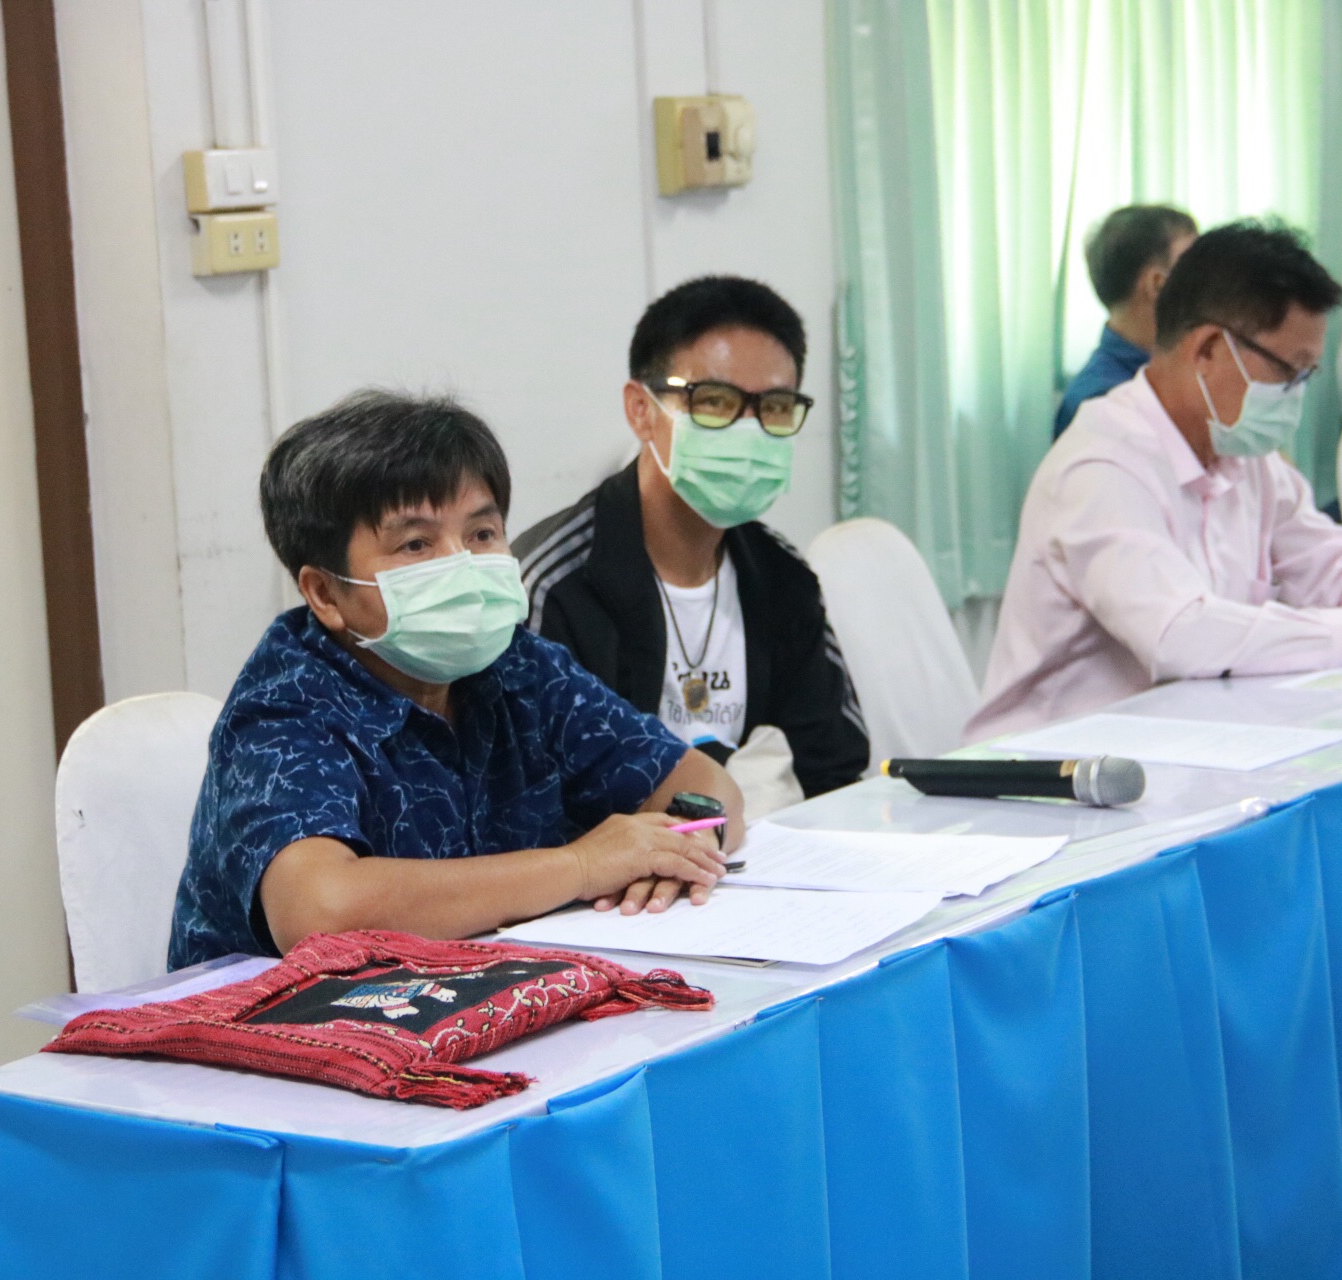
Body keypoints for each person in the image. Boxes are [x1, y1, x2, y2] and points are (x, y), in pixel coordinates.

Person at [168, 392, 745, 969]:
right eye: (416, 544)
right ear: (325, 594)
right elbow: (319, 910)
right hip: (292, 1017)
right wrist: (582, 866)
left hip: (492, 991)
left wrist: (686, 843)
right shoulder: (285, 706)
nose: (462, 565)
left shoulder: (518, 665)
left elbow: (701, 780)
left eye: (482, 534)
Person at [964, 221, 1342, 740]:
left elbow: (1335, 570)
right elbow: (1181, 634)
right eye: (1288, 373)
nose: (1295, 398)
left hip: (1186, 741)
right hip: (1050, 775)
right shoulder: (1103, 463)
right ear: (1207, 349)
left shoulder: (1241, 451)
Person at [513, 275, 869, 799]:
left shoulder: (783, 576)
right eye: (715, 401)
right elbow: (532, 796)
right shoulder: (555, 586)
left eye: (774, 406)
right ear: (641, 410)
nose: (749, 429)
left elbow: (833, 770)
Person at [1054, 205, 1199, 436]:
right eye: (1197, 269)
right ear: (1157, 285)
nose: (1210, 284)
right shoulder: (1104, 402)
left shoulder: (1174, 373)